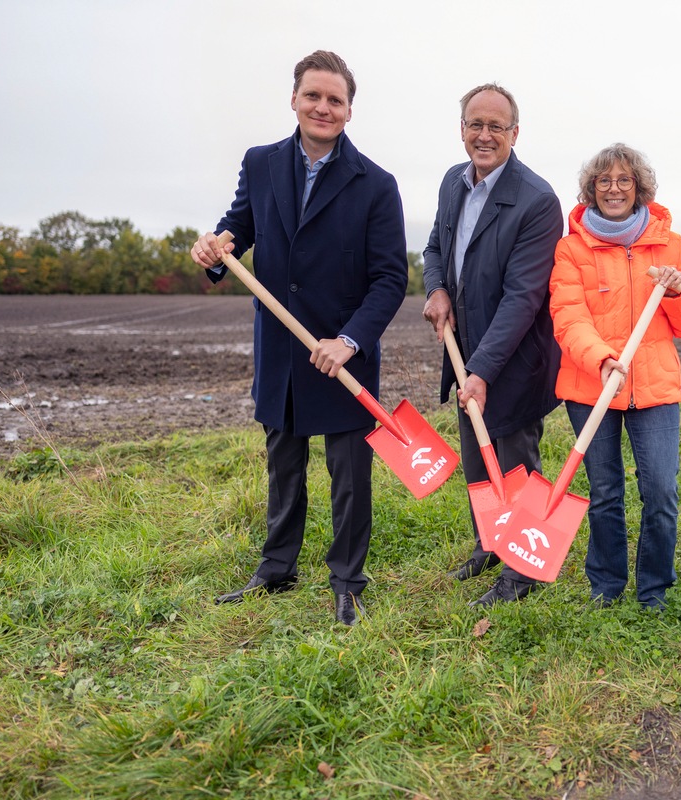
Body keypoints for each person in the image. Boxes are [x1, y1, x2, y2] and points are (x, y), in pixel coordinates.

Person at [190, 50, 408, 625]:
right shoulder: (260, 163)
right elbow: (240, 226)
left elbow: (390, 279)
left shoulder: (376, 185)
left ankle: (347, 580)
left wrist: (350, 341)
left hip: (342, 354)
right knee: (283, 464)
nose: (323, 107)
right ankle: (277, 568)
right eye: (313, 95)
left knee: (349, 476)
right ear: (294, 99)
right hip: (284, 350)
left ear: (349, 111)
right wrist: (218, 246)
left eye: (335, 99)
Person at [548, 143, 681, 610]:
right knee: (605, 491)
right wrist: (601, 359)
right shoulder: (571, 248)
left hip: (655, 389)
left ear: (638, 187)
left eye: (624, 180)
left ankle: (654, 589)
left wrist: (677, 292)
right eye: (604, 181)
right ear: (591, 189)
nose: (614, 189)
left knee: (660, 490)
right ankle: (606, 585)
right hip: (591, 385)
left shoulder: (670, 246)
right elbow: (567, 315)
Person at [422, 83, 564, 608]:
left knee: (514, 461)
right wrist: (436, 287)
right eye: (474, 125)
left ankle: (521, 571)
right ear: (462, 129)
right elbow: (436, 246)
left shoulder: (537, 200)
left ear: (514, 133)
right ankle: (489, 543)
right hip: (463, 349)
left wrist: (481, 370)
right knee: (477, 460)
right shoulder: (451, 184)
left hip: (515, 357)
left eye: (495, 127)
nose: (484, 135)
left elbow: (524, 299)